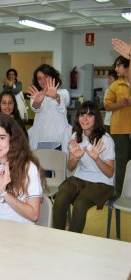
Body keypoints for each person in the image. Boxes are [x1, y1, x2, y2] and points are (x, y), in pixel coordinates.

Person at [53, 101, 115, 233]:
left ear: (96, 118)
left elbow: (110, 173)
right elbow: (70, 167)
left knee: (80, 204)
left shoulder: (106, 140)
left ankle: (73, 242)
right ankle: (56, 237)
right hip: (80, 178)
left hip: (102, 182)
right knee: (60, 197)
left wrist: (97, 159)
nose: (85, 118)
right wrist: (75, 157)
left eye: (89, 115)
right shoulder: (75, 137)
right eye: (82, 114)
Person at [0, 113, 44, 224]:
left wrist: (4, 194)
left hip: (18, 231)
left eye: (1, 138)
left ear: (12, 138)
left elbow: (34, 215)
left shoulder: (28, 168)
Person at [27, 64, 71, 154]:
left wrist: (56, 96)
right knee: (41, 165)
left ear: (53, 77)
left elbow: (65, 102)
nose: (42, 80)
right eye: (39, 78)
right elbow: (35, 107)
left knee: (59, 165)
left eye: (46, 76)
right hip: (41, 137)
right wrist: (38, 101)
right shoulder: (36, 95)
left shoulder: (63, 93)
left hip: (59, 137)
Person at [104, 55, 131, 197]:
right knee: (121, 162)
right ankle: (120, 193)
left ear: (128, 66)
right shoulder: (115, 86)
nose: (116, 69)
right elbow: (107, 106)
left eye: (119, 65)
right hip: (120, 129)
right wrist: (122, 103)